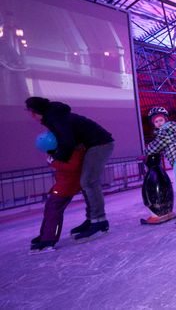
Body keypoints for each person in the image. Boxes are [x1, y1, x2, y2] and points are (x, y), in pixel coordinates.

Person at [25, 97, 114, 240]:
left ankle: (99, 221)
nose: (30, 115)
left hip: (100, 144)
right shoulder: (54, 116)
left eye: (29, 112)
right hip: (93, 145)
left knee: (88, 182)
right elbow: (66, 140)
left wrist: (57, 158)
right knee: (86, 182)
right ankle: (92, 219)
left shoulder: (55, 118)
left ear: (34, 112)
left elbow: (67, 141)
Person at [31, 146, 85, 253]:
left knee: (53, 210)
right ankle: (45, 235)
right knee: (50, 209)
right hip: (63, 184)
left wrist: (54, 162)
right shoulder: (68, 147)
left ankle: (49, 239)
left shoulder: (74, 149)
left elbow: (73, 167)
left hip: (66, 185)